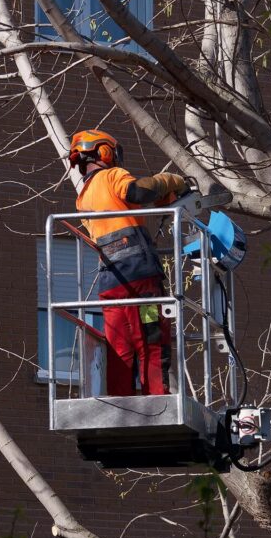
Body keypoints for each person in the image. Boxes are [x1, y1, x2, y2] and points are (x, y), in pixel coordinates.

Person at [69, 129, 188, 396]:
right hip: (140, 284)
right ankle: (157, 400)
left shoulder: (83, 197)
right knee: (151, 340)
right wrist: (171, 180)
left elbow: (127, 207)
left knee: (120, 349)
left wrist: (164, 197)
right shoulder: (112, 176)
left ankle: (121, 405)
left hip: (112, 286)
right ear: (104, 152)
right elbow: (137, 192)